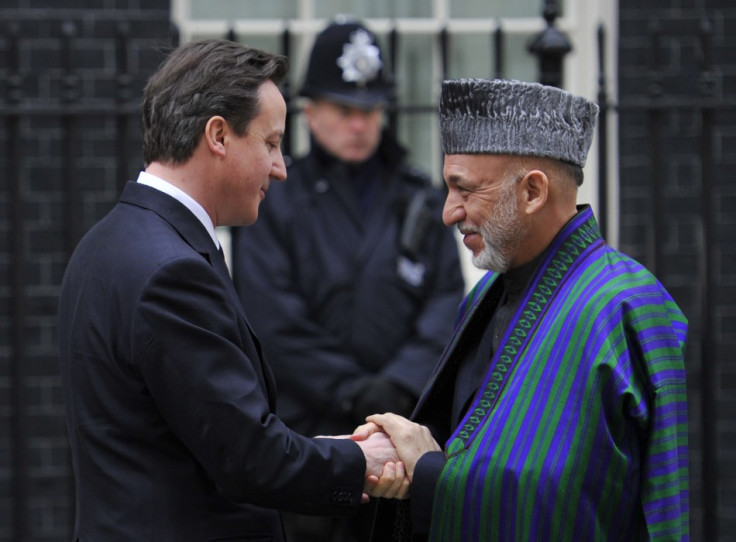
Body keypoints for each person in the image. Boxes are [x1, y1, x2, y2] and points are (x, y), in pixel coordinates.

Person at [57, 39, 409, 541]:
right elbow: (251, 459)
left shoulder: (106, 243)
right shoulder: (172, 273)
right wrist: (363, 458)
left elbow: (202, 436)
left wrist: (319, 449)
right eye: (270, 142)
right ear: (218, 135)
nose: (281, 167)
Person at [356, 78, 690, 541]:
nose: (448, 212)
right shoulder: (487, 292)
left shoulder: (623, 305)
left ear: (533, 192)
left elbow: (563, 497)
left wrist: (428, 471)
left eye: (465, 189)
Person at [231, 19, 465, 541]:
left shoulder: (420, 196)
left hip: (402, 440)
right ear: (310, 112)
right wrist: (353, 391)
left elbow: (446, 303)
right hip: (309, 439)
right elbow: (271, 316)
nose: (359, 124)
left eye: (370, 110)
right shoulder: (276, 200)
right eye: (344, 110)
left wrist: (396, 387)